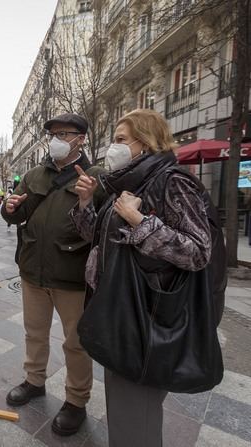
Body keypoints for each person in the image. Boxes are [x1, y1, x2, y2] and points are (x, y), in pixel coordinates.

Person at [70, 109, 212, 446]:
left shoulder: (172, 182)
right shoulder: (128, 184)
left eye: (120, 140)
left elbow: (198, 252)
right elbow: (99, 239)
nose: (112, 147)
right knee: (124, 412)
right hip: (119, 312)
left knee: (136, 418)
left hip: (145, 320)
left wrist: (140, 222)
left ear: (146, 142)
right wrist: (86, 202)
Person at [1, 113, 106, 437]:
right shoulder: (35, 174)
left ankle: (76, 400)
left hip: (73, 276)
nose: (57, 139)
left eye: (65, 133)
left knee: (76, 343)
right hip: (33, 270)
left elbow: (104, 227)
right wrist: (9, 206)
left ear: (81, 139)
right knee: (35, 333)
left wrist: (89, 201)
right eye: (53, 134)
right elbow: (15, 214)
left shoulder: (97, 176)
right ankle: (34, 381)